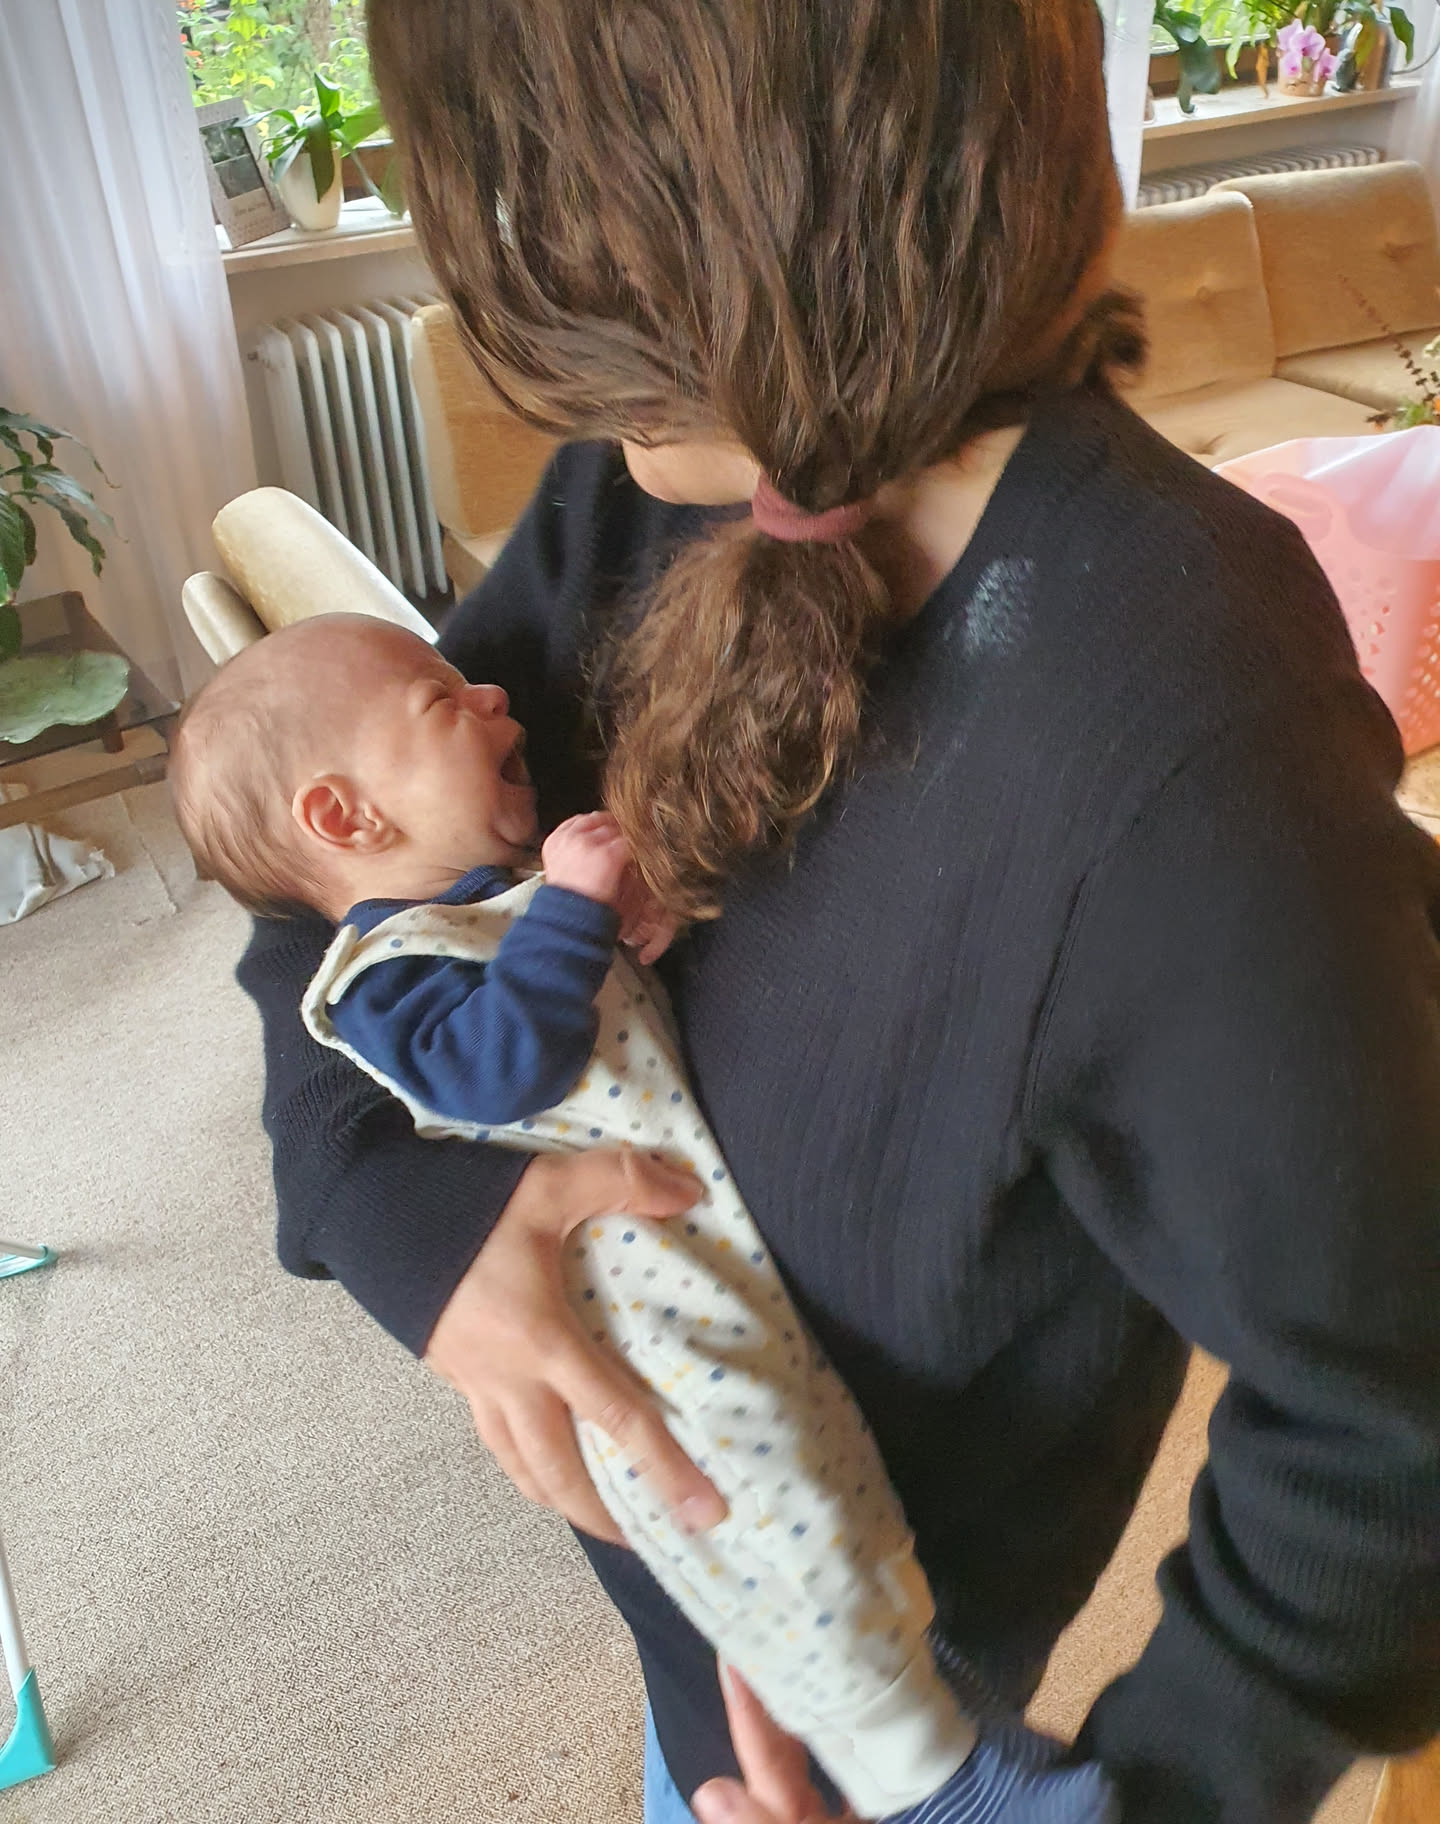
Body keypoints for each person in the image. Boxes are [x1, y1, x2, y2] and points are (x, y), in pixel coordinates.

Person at [237, 0, 1440, 1820]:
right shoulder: (643, 496)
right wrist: (413, 1231)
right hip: (706, 1624)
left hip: (893, 1707)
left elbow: (1388, 1414)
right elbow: (330, 904)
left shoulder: (1184, 728)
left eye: (526, 219)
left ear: (718, 214)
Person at [170, 611, 1115, 1823]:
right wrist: (573, 916)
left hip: (707, 1273)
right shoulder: (382, 969)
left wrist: (623, 925)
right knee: (772, 1521)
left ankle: (931, 1718)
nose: (496, 697)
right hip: (642, 1318)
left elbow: (590, 1009)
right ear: (345, 819)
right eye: (445, 701)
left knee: (833, 1504)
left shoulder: (497, 900)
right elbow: (496, 1066)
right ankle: (932, 1777)